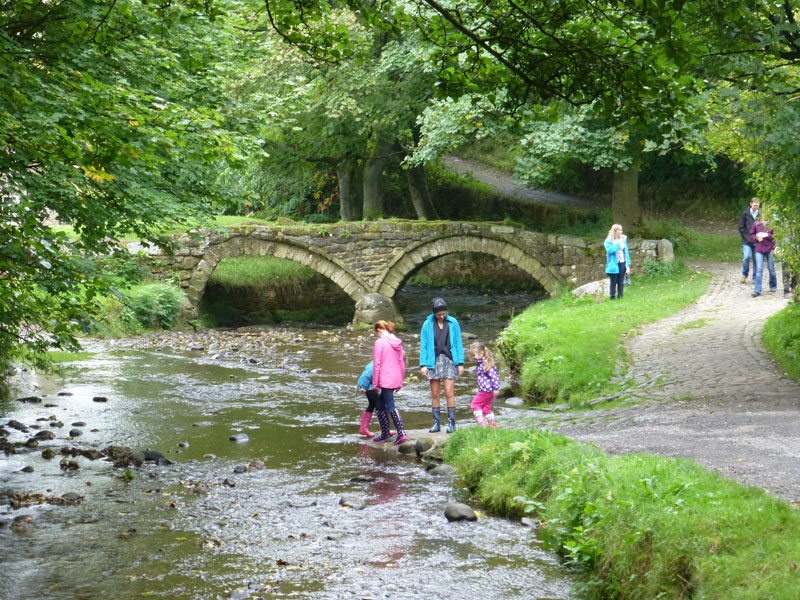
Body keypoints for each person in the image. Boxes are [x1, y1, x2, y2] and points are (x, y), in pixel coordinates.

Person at [419, 297, 465, 433]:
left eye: (444, 313)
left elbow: (458, 343)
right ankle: (436, 423)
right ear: (434, 313)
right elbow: (424, 346)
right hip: (433, 361)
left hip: (450, 360)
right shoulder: (427, 324)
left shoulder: (453, 323)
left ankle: (452, 423)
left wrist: (460, 363)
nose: (442, 316)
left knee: (449, 392)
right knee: (435, 393)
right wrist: (423, 364)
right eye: (439, 314)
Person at [371, 320, 408, 445]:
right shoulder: (396, 341)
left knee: (390, 405)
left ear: (379, 330)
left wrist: (375, 383)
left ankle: (401, 433)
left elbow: (377, 364)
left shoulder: (379, 342)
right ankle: (385, 433)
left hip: (385, 378)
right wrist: (400, 380)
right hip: (395, 377)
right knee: (380, 405)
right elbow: (401, 362)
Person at [469, 341, 500, 428]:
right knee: (486, 408)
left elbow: (494, 376)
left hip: (486, 390)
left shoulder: (486, 364)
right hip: (488, 391)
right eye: (472, 355)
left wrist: (496, 388)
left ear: (481, 353)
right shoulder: (481, 364)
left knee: (474, 405)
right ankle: (493, 427)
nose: (473, 358)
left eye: (474, 355)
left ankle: (482, 426)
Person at [750, 214, 777, 297]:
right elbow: (752, 234)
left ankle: (773, 285)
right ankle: (757, 290)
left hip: (770, 249)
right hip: (759, 249)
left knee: (771, 268)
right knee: (759, 269)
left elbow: (775, 236)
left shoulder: (772, 224)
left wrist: (767, 235)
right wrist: (757, 238)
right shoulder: (756, 223)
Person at [604, 224, 631, 301]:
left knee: (621, 281)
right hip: (613, 263)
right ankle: (612, 297)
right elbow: (610, 250)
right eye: (619, 230)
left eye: (621, 230)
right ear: (614, 231)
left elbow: (626, 252)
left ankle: (620, 296)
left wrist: (627, 263)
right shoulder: (608, 241)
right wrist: (618, 244)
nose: (621, 232)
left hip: (622, 262)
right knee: (613, 281)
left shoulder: (623, 239)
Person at [738, 198, 760, 284]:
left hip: (757, 241)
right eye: (755, 204)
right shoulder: (745, 213)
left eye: (757, 204)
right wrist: (745, 236)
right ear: (751, 204)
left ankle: (755, 277)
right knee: (746, 257)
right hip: (747, 241)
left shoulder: (760, 214)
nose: (756, 206)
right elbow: (741, 226)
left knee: (756, 259)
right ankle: (744, 274)